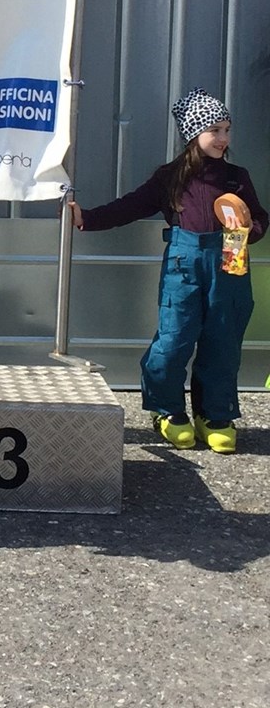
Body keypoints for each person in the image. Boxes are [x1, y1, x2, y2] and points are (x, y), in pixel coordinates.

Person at [69, 87, 266, 453]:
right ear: (193, 133)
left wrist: (247, 230)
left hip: (230, 265)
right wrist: (87, 218)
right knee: (174, 340)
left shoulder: (237, 177)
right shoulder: (171, 177)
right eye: (214, 130)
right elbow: (129, 207)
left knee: (223, 342)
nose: (223, 138)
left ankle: (215, 415)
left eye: (226, 129)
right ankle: (167, 410)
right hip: (183, 264)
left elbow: (259, 218)